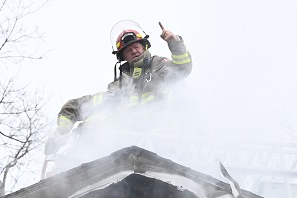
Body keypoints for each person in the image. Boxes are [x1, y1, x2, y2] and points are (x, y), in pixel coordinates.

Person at [45, 21, 193, 156]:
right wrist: (62, 134)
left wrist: (174, 42)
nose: (134, 51)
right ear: (123, 57)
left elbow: (183, 68)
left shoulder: (158, 65)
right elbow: (84, 105)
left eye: (136, 46)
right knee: (95, 122)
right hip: (128, 150)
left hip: (163, 142)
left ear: (144, 46)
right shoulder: (119, 85)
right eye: (128, 50)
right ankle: (72, 161)